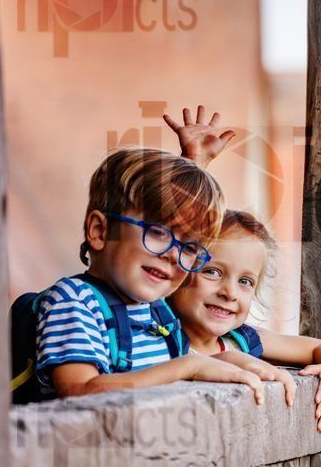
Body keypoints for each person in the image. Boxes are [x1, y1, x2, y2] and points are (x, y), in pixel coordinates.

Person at [33, 146, 266, 402]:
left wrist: (231, 360)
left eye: (189, 247)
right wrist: (188, 367)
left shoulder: (157, 311)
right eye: (157, 233)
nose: (172, 255)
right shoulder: (75, 301)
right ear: (100, 231)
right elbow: (80, 390)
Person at [170, 209, 321, 433]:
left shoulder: (242, 340)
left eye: (245, 281)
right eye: (213, 272)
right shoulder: (160, 340)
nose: (230, 292)